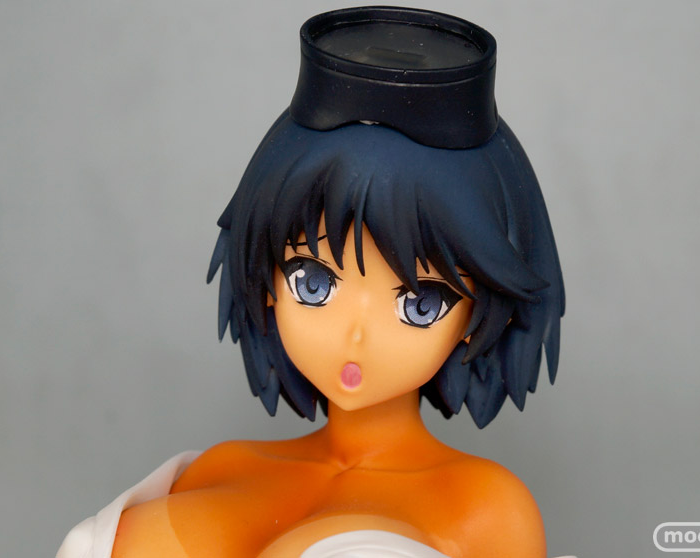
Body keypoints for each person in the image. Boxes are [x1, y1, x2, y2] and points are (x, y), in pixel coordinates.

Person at [58, 7, 565, 558]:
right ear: (267, 277)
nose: (355, 334)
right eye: (313, 283)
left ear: (477, 313)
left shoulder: (486, 507)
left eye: (421, 303)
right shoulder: (216, 469)